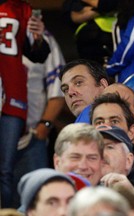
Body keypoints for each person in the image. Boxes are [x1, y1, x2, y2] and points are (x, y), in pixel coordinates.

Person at [0, 0, 50, 208]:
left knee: (4, 170)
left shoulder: (22, 7)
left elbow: (37, 54)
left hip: (12, 96)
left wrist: (38, 39)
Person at [11, 29, 66, 208]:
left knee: (36, 203)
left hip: (31, 139)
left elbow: (58, 89)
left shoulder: (41, 36)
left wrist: (44, 126)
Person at [62, 0, 116, 65]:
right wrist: (106, 8)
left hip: (119, 36)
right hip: (92, 39)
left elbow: (110, 4)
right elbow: (73, 15)